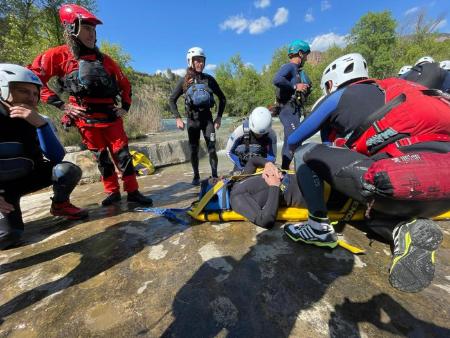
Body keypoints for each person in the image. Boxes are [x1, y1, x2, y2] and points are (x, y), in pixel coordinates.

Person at [283, 53, 450, 292]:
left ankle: (318, 227)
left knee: (305, 152)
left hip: (399, 184)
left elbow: (295, 138)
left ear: (331, 83)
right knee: (368, 215)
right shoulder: (398, 87)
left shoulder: (339, 95)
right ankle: (405, 231)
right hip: (439, 194)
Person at [29, 4, 152, 207]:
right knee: (102, 159)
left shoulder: (106, 61)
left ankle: (133, 192)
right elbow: (32, 78)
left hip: (111, 117)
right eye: (86, 28)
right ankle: (112, 192)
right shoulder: (57, 55)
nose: (92, 34)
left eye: (93, 29)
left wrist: (125, 108)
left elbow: (125, 85)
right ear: (71, 28)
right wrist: (62, 106)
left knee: (123, 156)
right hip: (85, 119)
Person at [0, 64, 87, 250]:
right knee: (9, 237)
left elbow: (57, 156)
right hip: (1, 191)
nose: (32, 99)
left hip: (26, 178)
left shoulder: (38, 118)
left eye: (35, 93)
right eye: (23, 91)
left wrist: (40, 125)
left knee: (67, 170)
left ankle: (60, 205)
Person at [169, 47, 226, 186]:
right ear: (190, 62)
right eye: (197, 61)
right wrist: (177, 118)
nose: (200, 64)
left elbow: (222, 98)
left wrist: (219, 117)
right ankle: (196, 177)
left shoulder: (209, 80)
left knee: (212, 148)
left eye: (202, 61)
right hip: (192, 121)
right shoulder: (184, 81)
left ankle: (214, 176)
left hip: (207, 121)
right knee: (194, 150)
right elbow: (172, 100)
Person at [273, 39, 312, 170]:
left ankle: (284, 169)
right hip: (287, 109)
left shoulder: (297, 70)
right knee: (295, 139)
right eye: (306, 54)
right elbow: (277, 80)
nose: (306, 58)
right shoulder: (289, 67)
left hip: (293, 110)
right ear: (300, 53)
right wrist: (296, 86)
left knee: (290, 140)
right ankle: (294, 169)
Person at [225, 107, 277, 171]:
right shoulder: (240, 131)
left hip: (262, 165)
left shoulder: (271, 134)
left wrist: (268, 165)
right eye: (257, 133)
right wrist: (241, 167)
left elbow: (272, 156)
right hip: (241, 164)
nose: (259, 136)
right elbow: (228, 152)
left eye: (262, 134)